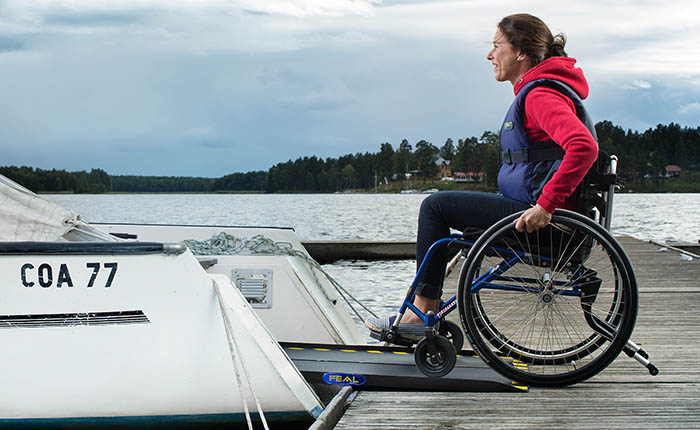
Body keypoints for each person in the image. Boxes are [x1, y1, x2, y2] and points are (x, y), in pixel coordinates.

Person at [365, 13, 598, 339]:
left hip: (548, 226)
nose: (490, 55)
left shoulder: (540, 95)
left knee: (435, 207)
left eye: (496, 46)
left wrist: (546, 205)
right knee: (447, 219)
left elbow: (584, 147)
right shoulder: (539, 90)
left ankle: (421, 314)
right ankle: (420, 310)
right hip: (544, 219)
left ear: (520, 52)